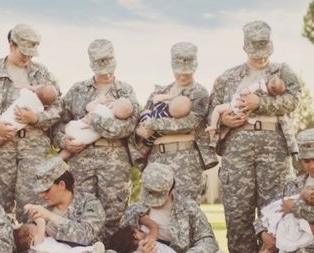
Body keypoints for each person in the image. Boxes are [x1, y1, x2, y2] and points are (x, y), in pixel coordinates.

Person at [208, 21, 301, 253]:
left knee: (274, 205)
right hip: (237, 146)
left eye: (264, 50)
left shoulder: (282, 71)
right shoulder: (228, 77)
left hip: (274, 145)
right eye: (255, 50)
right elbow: (211, 109)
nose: (260, 57)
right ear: (245, 47)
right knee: (238, 206)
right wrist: (224, 120)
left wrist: (261, 102)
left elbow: (294, 99)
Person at [0, 24, 61, 221]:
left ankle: (30, 249)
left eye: (31, 53)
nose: (27, 58)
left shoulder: (42, 74)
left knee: (32, 205)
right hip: (0, 148)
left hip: (33, 148)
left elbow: (58, 107)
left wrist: (36, 119)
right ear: (11, 45)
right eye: (23, 52)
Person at [53, 39, 139, 242]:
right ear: (91, 64)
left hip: (114, 160)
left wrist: (97, 122)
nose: (107, 73)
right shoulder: (77, 90)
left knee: (114, 212)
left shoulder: (125, 91)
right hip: (82, 159)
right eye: (101, 68)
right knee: (82, 210)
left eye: (109, 66)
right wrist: (64, 141)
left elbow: (128, 127)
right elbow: (58, 124)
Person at [119, 163, 242, 253]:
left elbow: (208, 241)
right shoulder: (134, 212)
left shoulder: (188, 208)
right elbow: (121, 245)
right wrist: (138, 252)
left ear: (171, 188)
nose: (154, 198)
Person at [133, 42, 216, 203]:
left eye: (187, 72)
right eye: (179, 71)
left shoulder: (199, 93)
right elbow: (142, 118)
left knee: (185, 210)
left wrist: (153, 125)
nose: (183, 76)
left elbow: (190, 122)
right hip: (155, 158)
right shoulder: (158, 93)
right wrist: (139, 131)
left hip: (185, 160)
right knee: (153, 209)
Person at [18, 157, 121, 253]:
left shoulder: (89, 202)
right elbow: (25, 241)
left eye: (46, 190)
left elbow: (86, 235)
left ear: (62, 185)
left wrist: (50, 216)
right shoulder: (42, 206)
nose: (42, 195)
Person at [0, 86, 57, 162]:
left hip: (3, 118)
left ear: (36, 91)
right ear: (46, 105)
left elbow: (24, 89)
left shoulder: (28, 94)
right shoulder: (40, 108)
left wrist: (33, 88)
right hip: (11, 128)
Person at [251, 184, 314, 253]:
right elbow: (276, 207)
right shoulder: (291, 198)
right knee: (266, 247)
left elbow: (304, 223)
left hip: (285, 230)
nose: (311, 199)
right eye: (312, 195)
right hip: (277, 226)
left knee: (269, 249)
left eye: (313, 199)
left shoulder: (302, 208)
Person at [206, 76, 287, 147]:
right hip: (246, 116)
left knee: (217, 109)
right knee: (233, 122)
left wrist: (242, 94)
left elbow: (245, 91)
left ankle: (213, 126)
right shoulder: (269, 97)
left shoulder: (259, 84)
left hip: (236, 106)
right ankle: (222, 134)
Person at [59, 97, 134, 160]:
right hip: (85, 141)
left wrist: (98, 101)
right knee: (69, 151)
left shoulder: (103, 109)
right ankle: (59, 158)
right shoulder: (113, 121)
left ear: (115, 103)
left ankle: (55, 162)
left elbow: (88, 107)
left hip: (76, 130)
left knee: (70, 131)